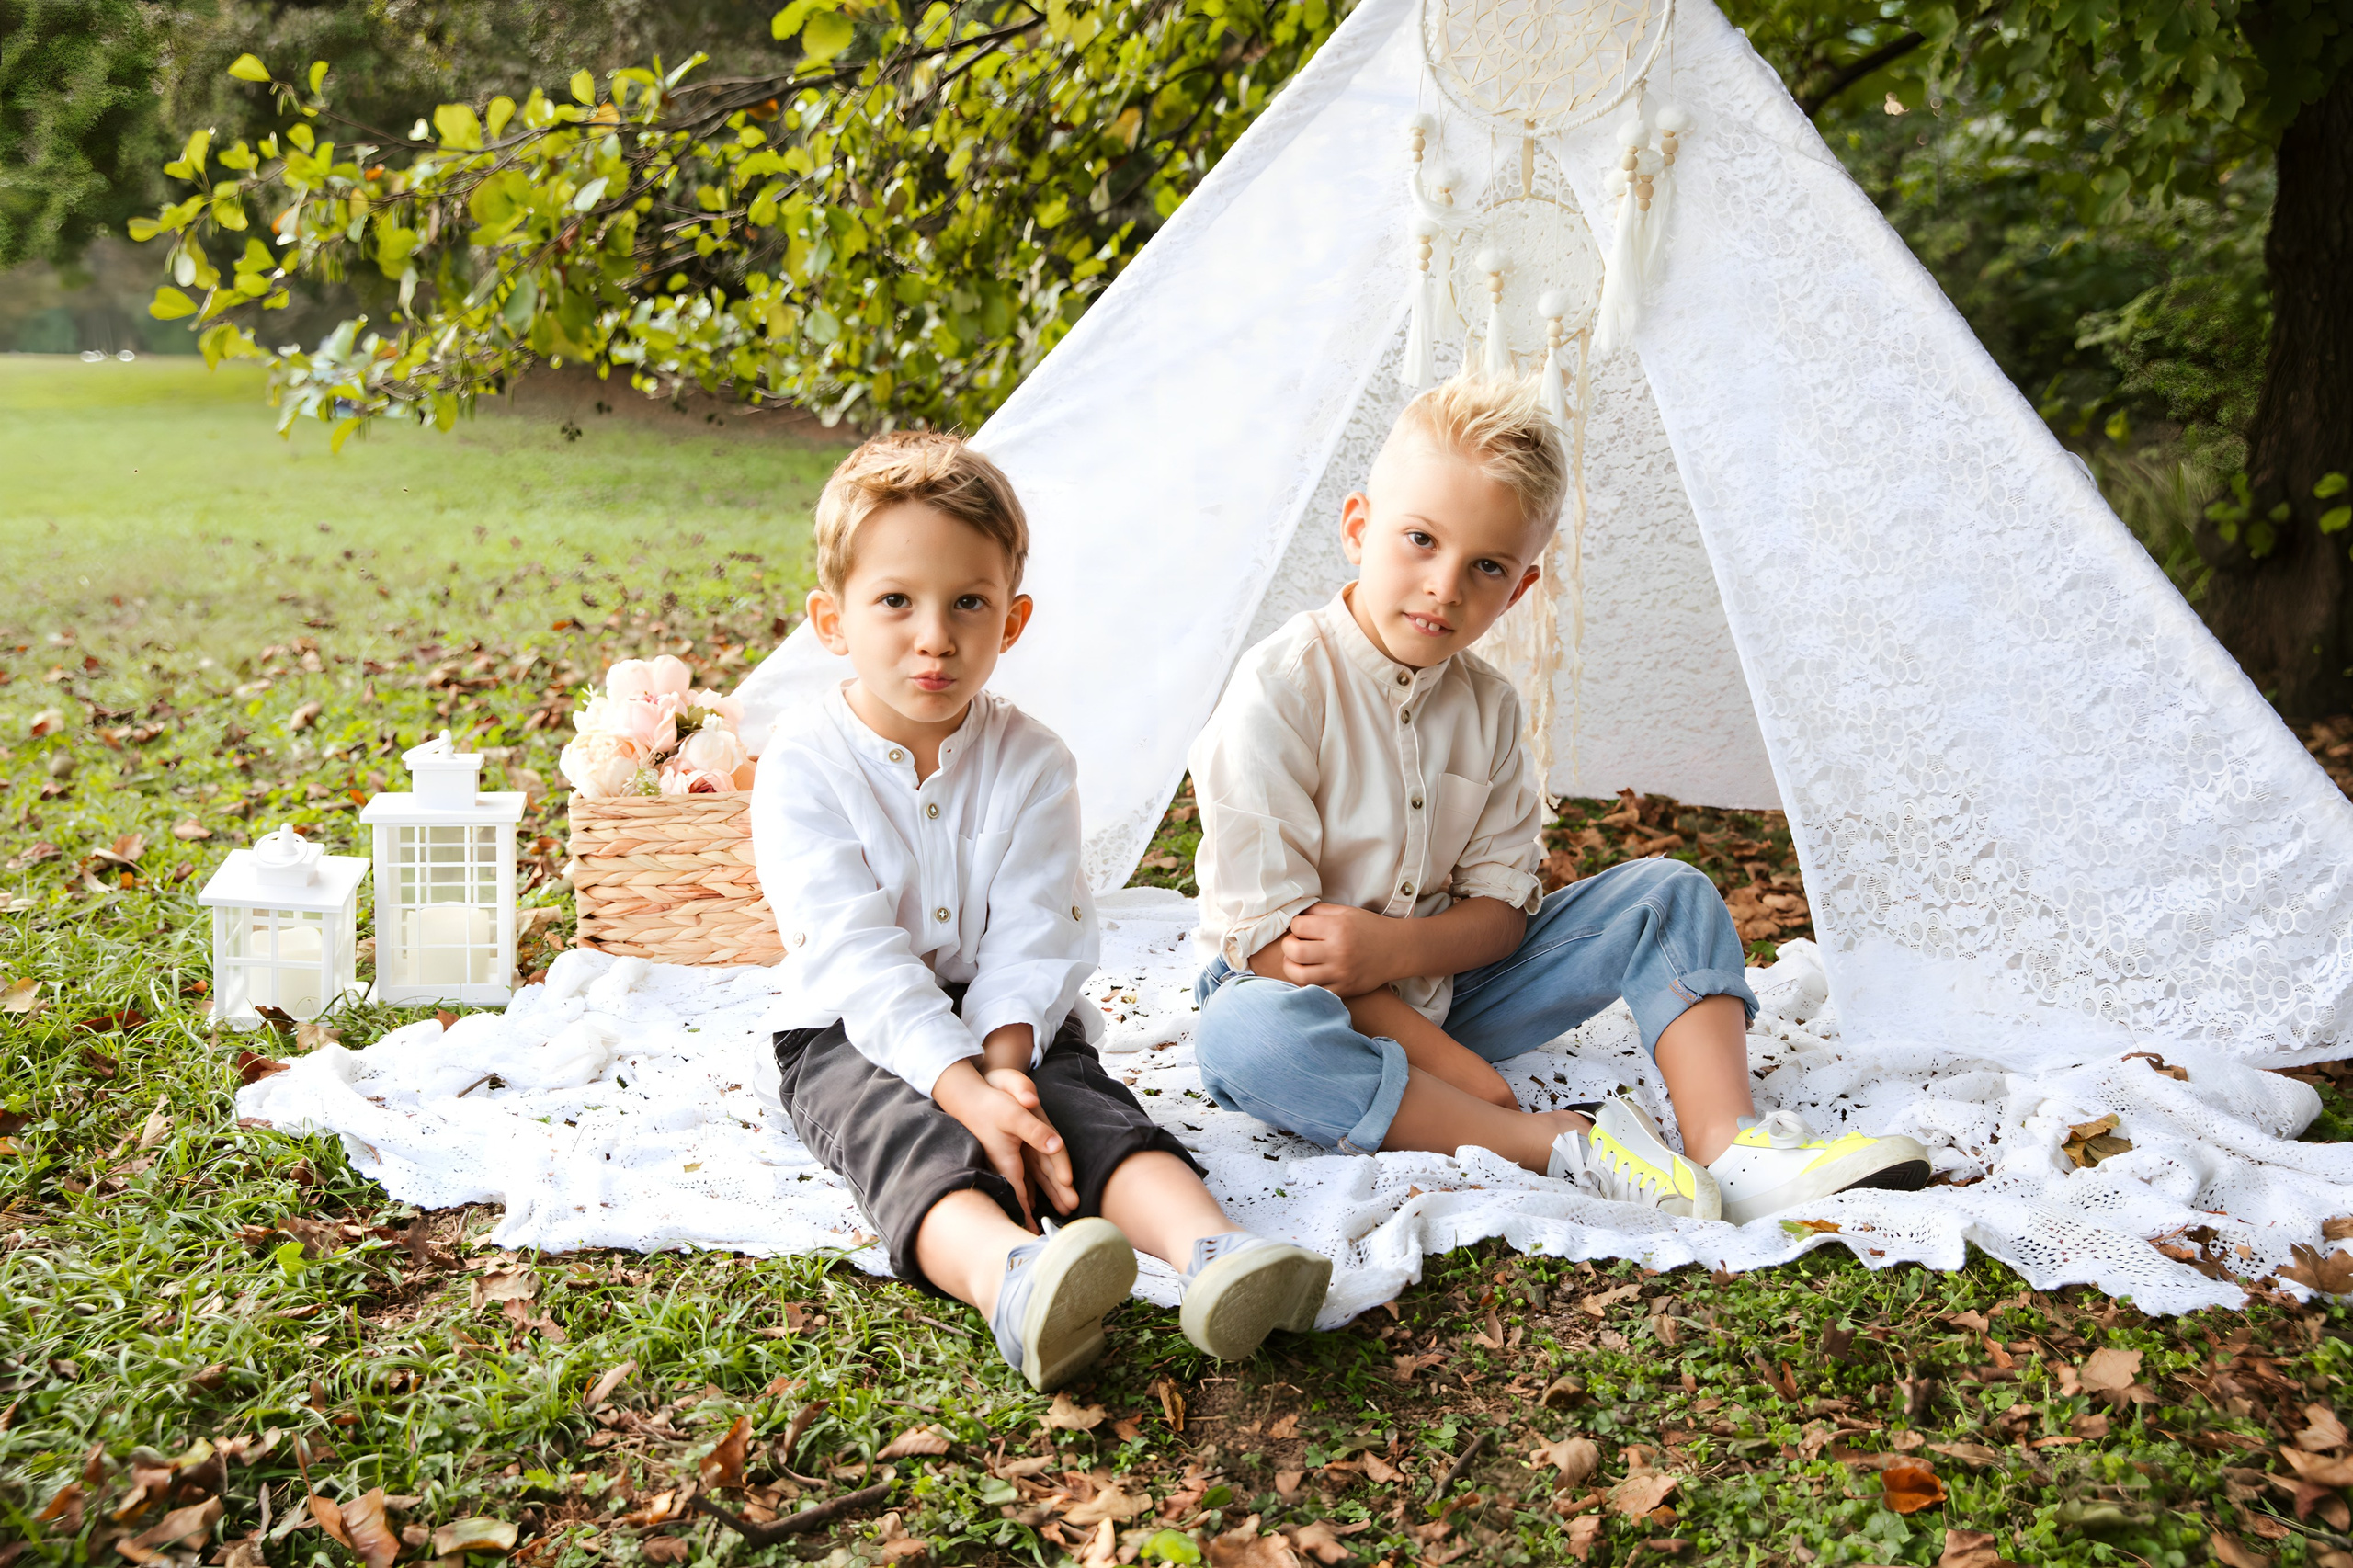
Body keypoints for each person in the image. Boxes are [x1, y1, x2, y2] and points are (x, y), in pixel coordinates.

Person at [1185, 374, 1929, 1225]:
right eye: (1420, 540)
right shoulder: (1279, 690)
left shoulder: (1490, 707)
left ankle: (1730, 1141)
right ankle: (1554, 1144)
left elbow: (1500, 918)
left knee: (1667, 893)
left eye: (1487, 566)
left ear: (1522, 589)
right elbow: (1280, 948)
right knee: (1246, 1040)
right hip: (1294, 994)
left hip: (1444, 986)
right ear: (1359, 528)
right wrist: (1476, 1085)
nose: (1445, 586)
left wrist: (1398, 950)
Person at [750, 432, 1330, 1391]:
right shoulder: (803, 762)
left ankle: (1214, 1251)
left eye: (967, 602)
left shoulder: (1033, 760)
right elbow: (855, 953)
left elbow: (1036, 932)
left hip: (1010, 1017)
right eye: (895, 600)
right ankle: (1010, 1273)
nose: (933, 635)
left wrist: (1006, 1069)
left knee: (1087, 1113)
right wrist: (962, 1089)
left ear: (1012, 619)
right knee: (907, 1135)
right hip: (845, 1027)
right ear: (831, 618)